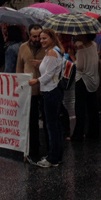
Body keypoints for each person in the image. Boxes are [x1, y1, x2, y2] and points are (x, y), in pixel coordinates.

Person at [28, 29, 64, 167]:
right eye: (40, 38)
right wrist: (41, 63)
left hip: (51, 91)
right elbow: (52, 69)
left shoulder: (51, 52)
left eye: (44, 38)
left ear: (52, 38)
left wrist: (36, 81)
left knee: (52, 125)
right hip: (54, 90)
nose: (41, 40)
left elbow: (49, 75)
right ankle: (57, 155)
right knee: (56, 125)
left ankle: (53, 158)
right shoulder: (55, 50)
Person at [17, 24, 46, 160]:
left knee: (47, 120)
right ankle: (33, 148)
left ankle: (48, 147)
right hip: (30, 90)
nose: (37, 39)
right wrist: (20, 83)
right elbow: (19, 66)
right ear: (29, 36)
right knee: (32, 121)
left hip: (45, 87)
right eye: (34, 36)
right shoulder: (23, 47)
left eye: (39, 36)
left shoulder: (47, 47)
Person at [71, 33, 100, 140]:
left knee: (80, 108)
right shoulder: (94, 45)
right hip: (93, 79)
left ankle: (78, 134)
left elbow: (79, 66)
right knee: (92, 107)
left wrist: (72, 56)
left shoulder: (81, 48)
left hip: (82, 80)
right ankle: (93, 133)